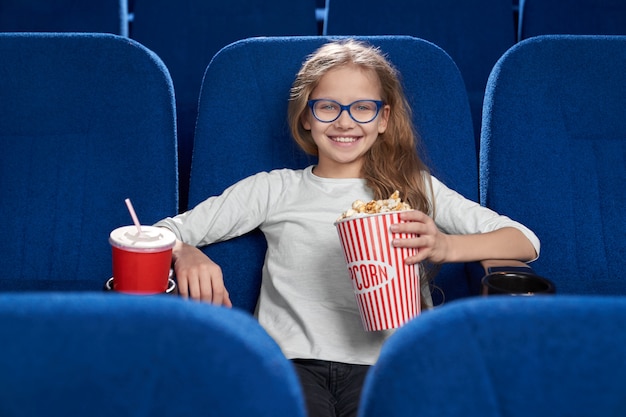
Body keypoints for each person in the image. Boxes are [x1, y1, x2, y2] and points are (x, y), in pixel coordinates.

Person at [154, 39, 540, 417]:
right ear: (306, 116)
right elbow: (155, 233)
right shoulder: (274, 189)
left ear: (384, 119)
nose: (344, 121)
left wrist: (444, 247)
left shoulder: (414, 188)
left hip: (388, 360)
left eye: (362, 108)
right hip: (289, 362)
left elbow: (524, 241)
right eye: (327, 107)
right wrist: (185, 252)